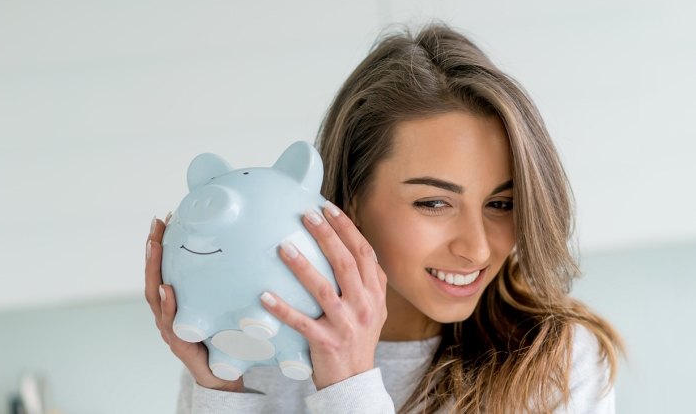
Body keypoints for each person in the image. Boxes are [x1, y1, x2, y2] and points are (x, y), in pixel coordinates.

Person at [144, 23, 623, 414]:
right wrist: (221, 394)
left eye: (501, 204)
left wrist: (349, 385)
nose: (477, 248)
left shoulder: (558, 365)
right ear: (349, 198)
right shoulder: (255, 346)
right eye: (434, 203)